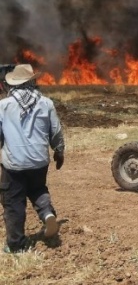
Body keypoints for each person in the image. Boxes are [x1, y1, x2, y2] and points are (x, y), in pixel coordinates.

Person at [0, 64, 65, 253]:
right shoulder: (46, 103)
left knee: (13, 201)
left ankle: (15, 245)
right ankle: (47, 214)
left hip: (14, 164)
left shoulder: (3, 106)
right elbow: (56, 132)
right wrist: (59, 151)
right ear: (32, 81)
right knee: (37, 189)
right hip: (39, 161)